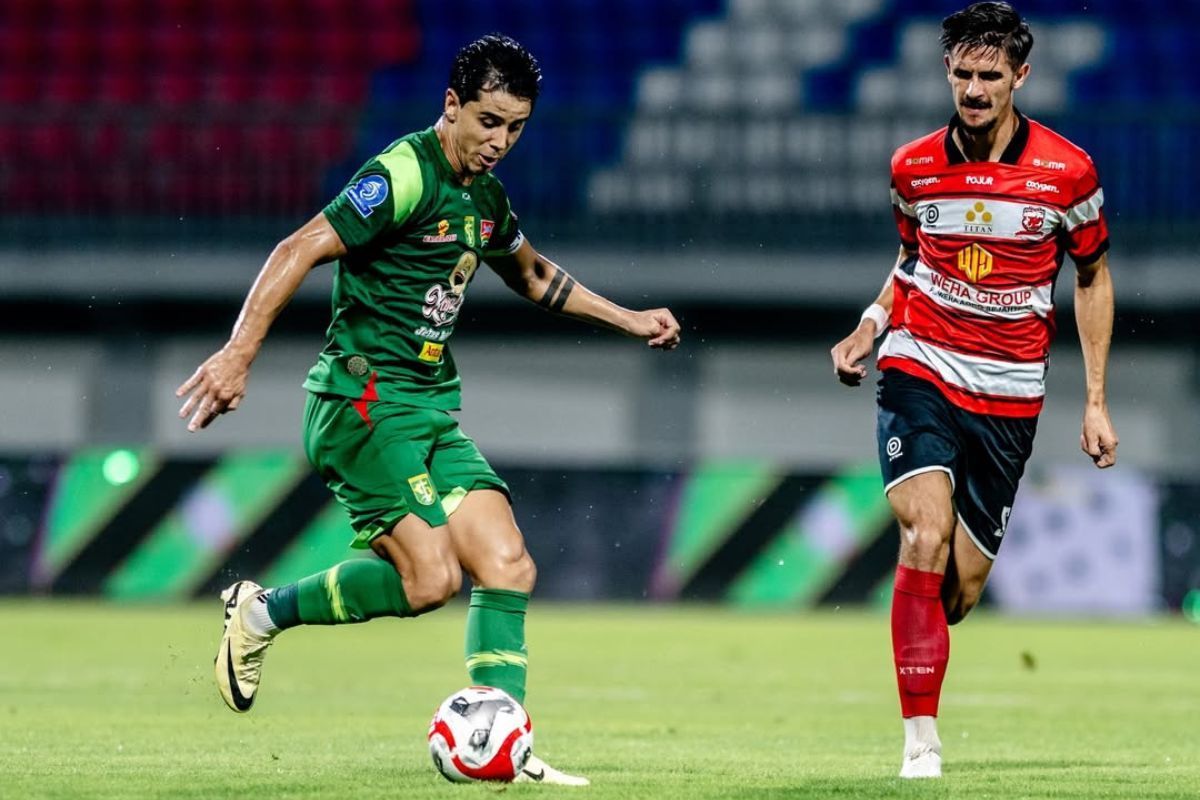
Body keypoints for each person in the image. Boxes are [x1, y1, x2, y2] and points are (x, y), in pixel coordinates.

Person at [176, 33, 681, 786]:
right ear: (451, 105)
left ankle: (503, 745)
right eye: (486, 121)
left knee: (508, 563)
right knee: (431, 582)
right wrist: (238, 352)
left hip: (428, 407)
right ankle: (260, 614)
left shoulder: (486, 196)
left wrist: (630, 318)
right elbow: (298, 246)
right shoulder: (403, 173)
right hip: (362, 402)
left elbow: (534, 274)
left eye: (514, 127)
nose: (499, 141)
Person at [829, 2, 1117, 779]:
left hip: (1011, 394)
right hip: (921, 364)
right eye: (962, 72)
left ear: (1021, 76)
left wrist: (1094, 398)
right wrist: (870, 326)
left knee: (955, 593)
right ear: (946, 71)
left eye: (991, 75)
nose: (975, 88)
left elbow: (1091, 276)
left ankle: (926, 628)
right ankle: (920, 739)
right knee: (922, 533)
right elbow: (910, 261)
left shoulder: (1068, 173)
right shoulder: (913, 167)